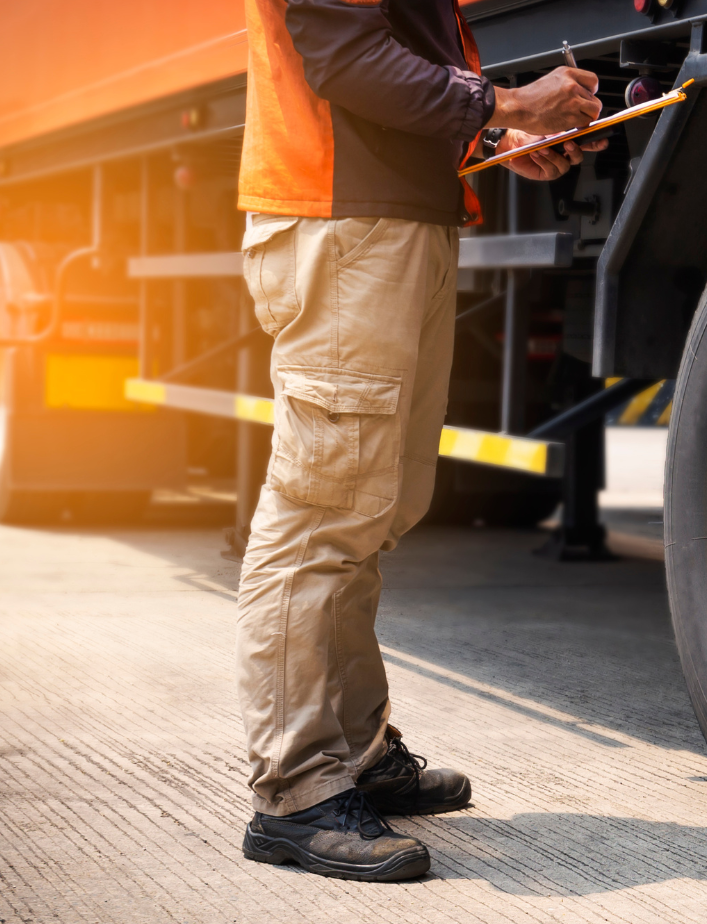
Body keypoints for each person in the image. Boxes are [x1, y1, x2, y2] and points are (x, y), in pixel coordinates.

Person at [233, 0, 607, 882]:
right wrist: (510, 104)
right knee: (322, 512)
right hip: (342, 226)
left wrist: (490, 141)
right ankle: (295, 791)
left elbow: (403, 62)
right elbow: (344, 56)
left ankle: (353, 754)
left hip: (394, 221)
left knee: (374, 505)